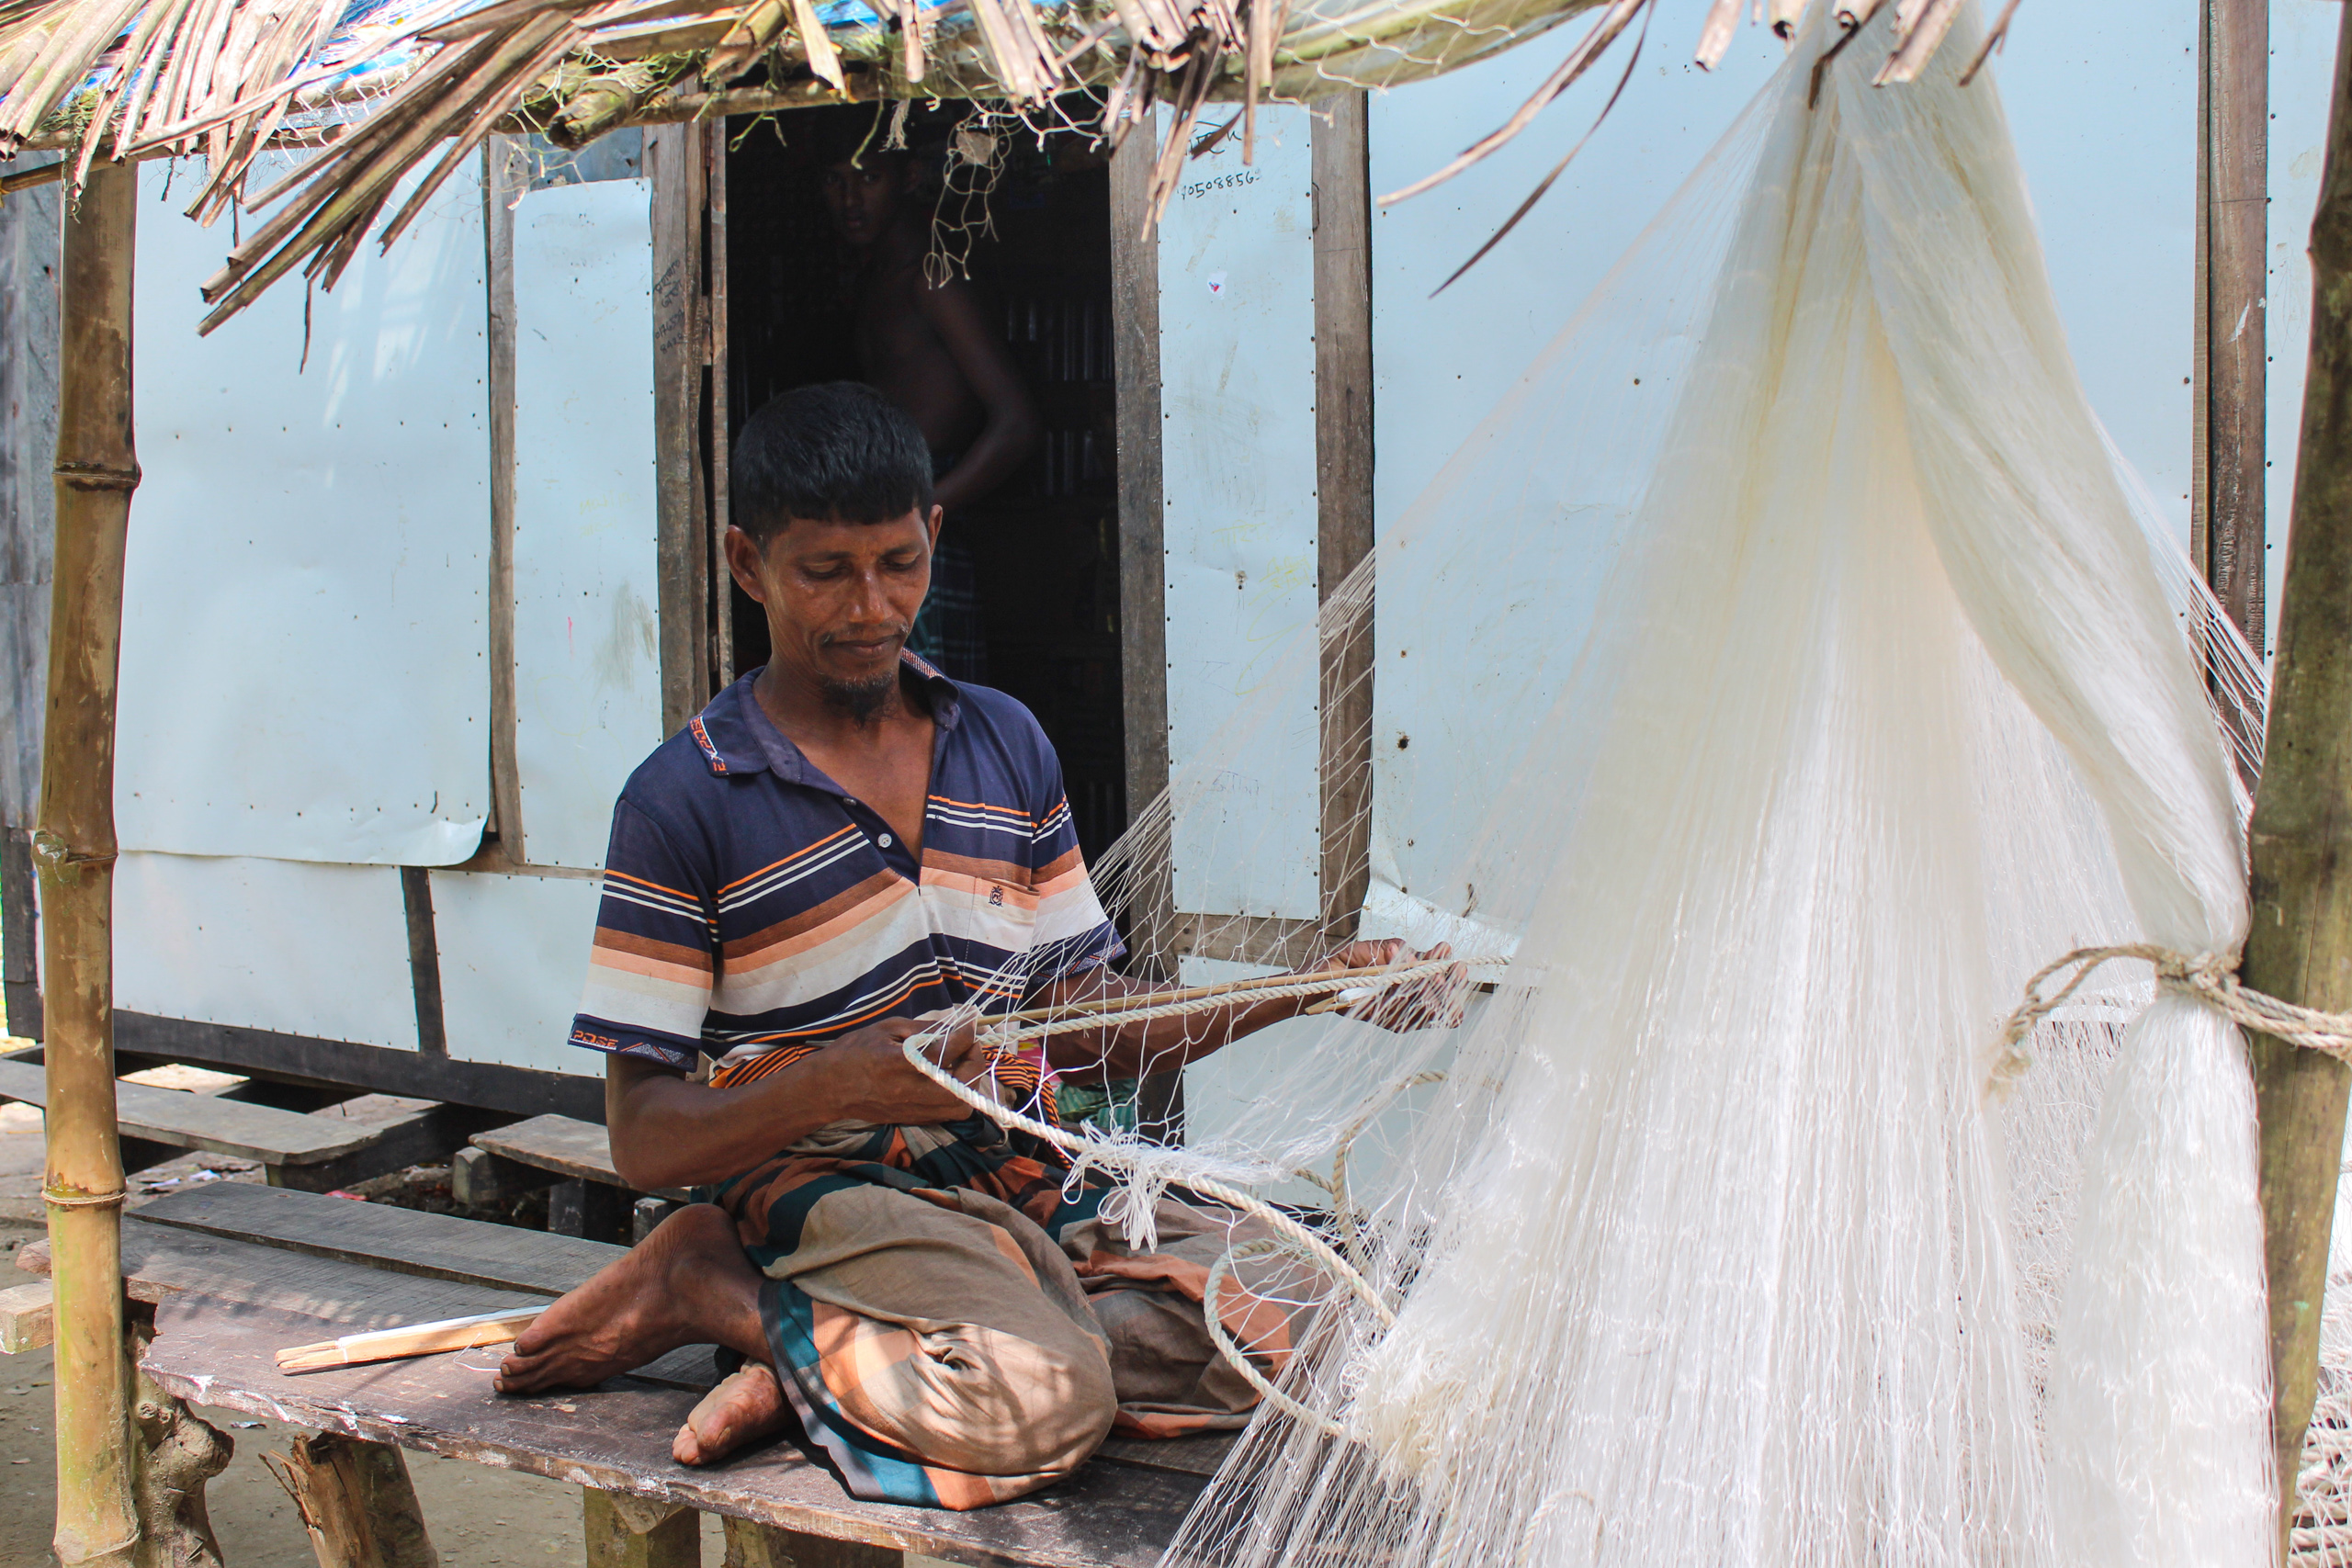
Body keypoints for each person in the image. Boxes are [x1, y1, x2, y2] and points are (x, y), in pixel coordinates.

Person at [495, 383, 1450, 1509]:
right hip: (829, 1189)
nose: (870, 607)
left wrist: (1310, 993)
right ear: (749, 565)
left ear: (935, 536)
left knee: (1335, 1315)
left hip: (1019, 1174)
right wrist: (834, 1084)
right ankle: (716, 1289)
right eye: (824, 572)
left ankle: (835, 1363)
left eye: (898, 563)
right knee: (1044, 1405)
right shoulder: (684, 800)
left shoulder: (1002, 741)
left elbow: (1084, 1031)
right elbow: (646, 1141)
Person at [820, 132, 1038, 682]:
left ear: (909, 179)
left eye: (870, 178)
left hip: (924, 509)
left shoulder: (932, 277)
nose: (851, 199)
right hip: (882, 511)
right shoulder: (871, 284)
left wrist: (920, 516)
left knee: (934, 715)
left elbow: (1016, 425)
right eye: (836, 182)